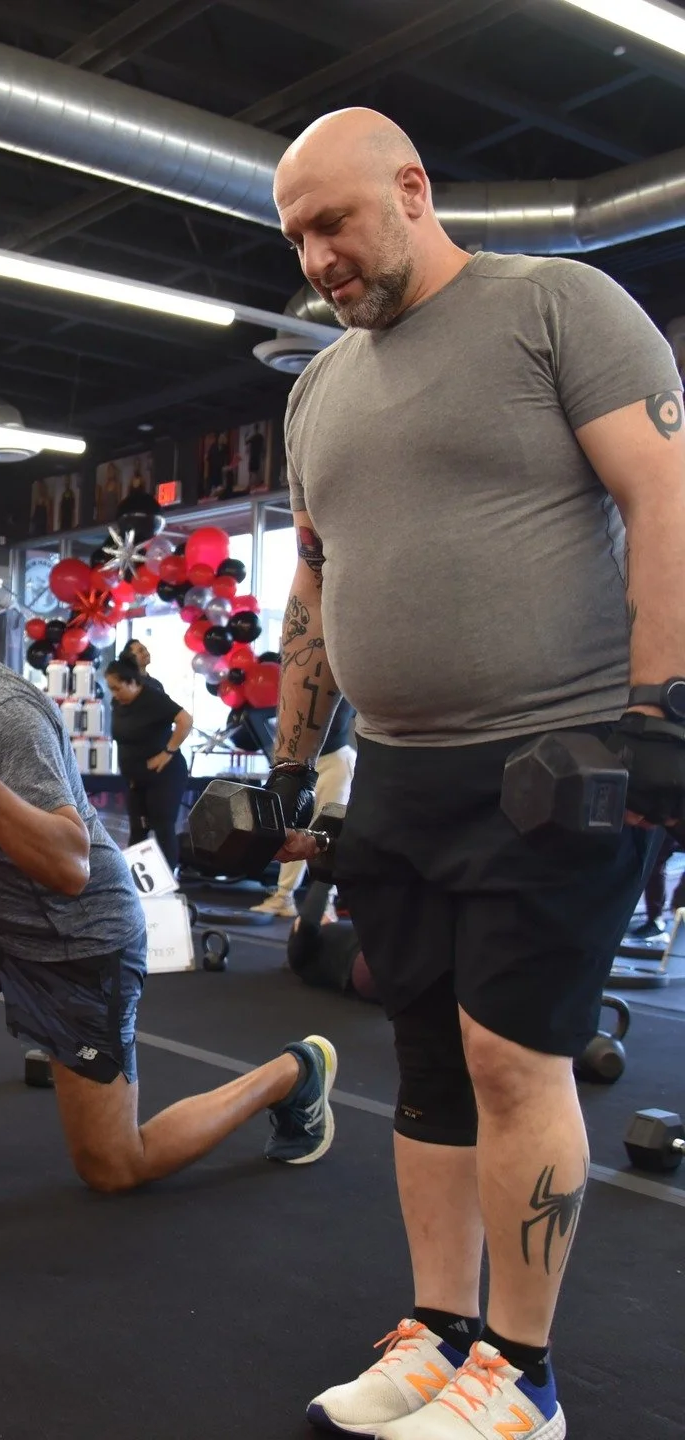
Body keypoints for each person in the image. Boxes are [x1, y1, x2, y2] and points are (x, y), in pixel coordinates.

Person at [272, 108, 684, 1439]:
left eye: (335, 222)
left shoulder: (558, 305)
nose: (320, 257)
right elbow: (313, 584)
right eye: (297, 237)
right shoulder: (315, 389)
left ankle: (523, 1374)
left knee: (516, 1058)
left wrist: (659, 715)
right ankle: (439, 1332)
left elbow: (665, 497)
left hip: (553, 755)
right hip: (395, 770)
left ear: (413, 187)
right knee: (427, 1056)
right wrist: (290, 767)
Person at [0, 535, 337, 1197]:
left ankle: (291, 1074)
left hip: (76, 942)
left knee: (114, 1167)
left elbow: (71, 864)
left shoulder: (6, 713)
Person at [253, 698, 357, 919]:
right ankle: (284, 897)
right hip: (305, 763)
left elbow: (334, 723)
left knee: (329, 831)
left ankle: (324, 904)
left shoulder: (341, 682)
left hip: (335, 760)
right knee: (291, 830)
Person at [104, 656, 192, 873]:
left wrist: (168, 752)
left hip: (164, 775)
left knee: (162, 828)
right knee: (138, 830)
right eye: (111, 689)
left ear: (132, 682)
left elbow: (185, 720)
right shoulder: (118, 703)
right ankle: (134, 884)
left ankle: (170, 883)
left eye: (117, 688)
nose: (114, 694)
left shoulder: (153, 698)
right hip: (136, 778)